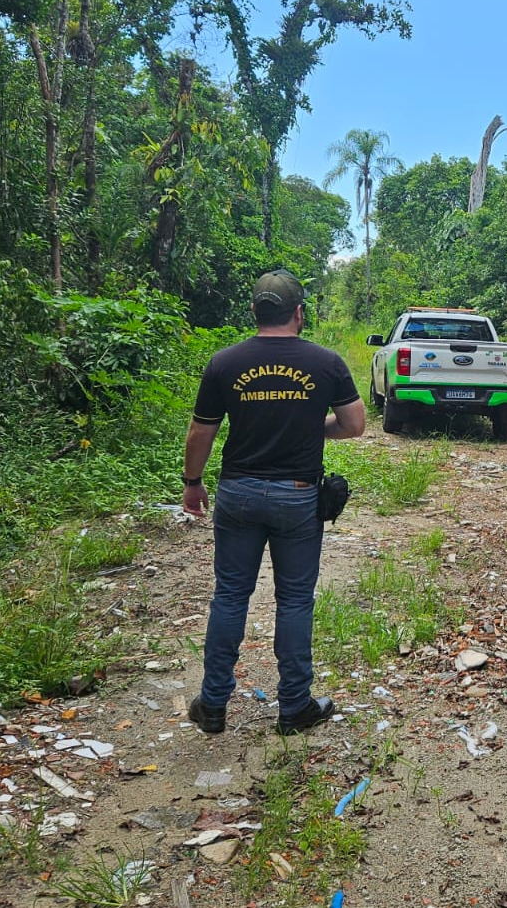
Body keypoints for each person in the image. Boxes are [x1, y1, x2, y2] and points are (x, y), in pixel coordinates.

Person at [181, 270, 366, 735]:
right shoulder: (325, 363)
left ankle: (213, 704)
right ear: (299, 313)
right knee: (295, 600)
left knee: (230, 595)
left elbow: (202, 430)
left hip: (238, 493)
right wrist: (311, 427)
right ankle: (295, 707)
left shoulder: (225, 362)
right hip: (298, 497)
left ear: (254, 312)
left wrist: (192, 482)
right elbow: (354, 424)